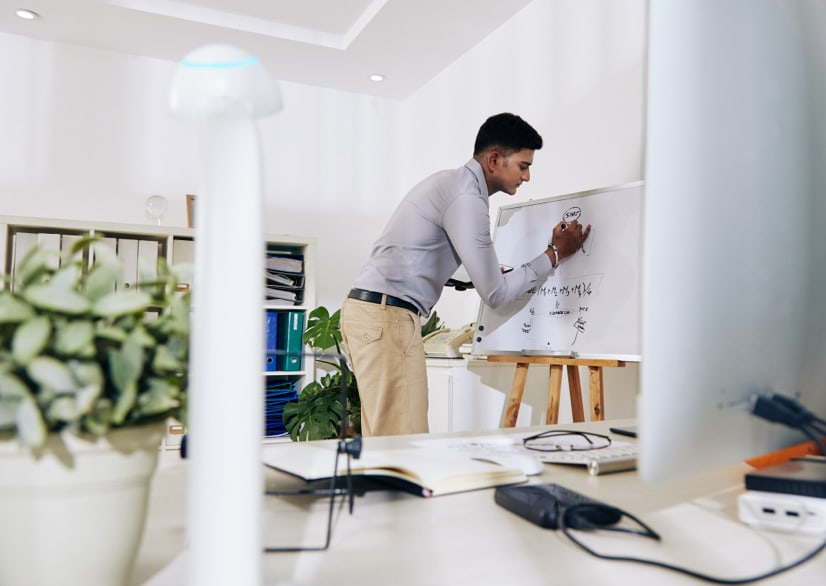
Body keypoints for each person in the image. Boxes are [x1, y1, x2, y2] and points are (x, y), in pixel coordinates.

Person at [340, 113, 591, 436]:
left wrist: (475, 273)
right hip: (388, 318)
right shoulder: (467, 199)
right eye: (523, 166)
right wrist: (554, 253)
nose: (527, 177)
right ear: (494, 160)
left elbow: (420, 254)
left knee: (385, 437)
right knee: (404, 441)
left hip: (371, 313)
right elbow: (497, 295)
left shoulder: (450, 184)